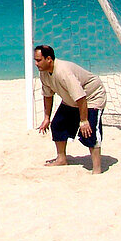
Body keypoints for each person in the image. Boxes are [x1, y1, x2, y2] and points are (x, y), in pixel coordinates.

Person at [34, 44, 106, 172]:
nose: (36, 63)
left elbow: (81, 97)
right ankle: (61, 159)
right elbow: (48, 95)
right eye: (35, 60)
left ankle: (97, 168)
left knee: (89, 131)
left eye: (39, 60)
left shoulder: (63, 72)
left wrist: (83, 120)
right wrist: (46, 118)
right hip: (72, 100)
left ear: (49, 59)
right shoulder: (44, 73)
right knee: (57, 124)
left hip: (92, 97)